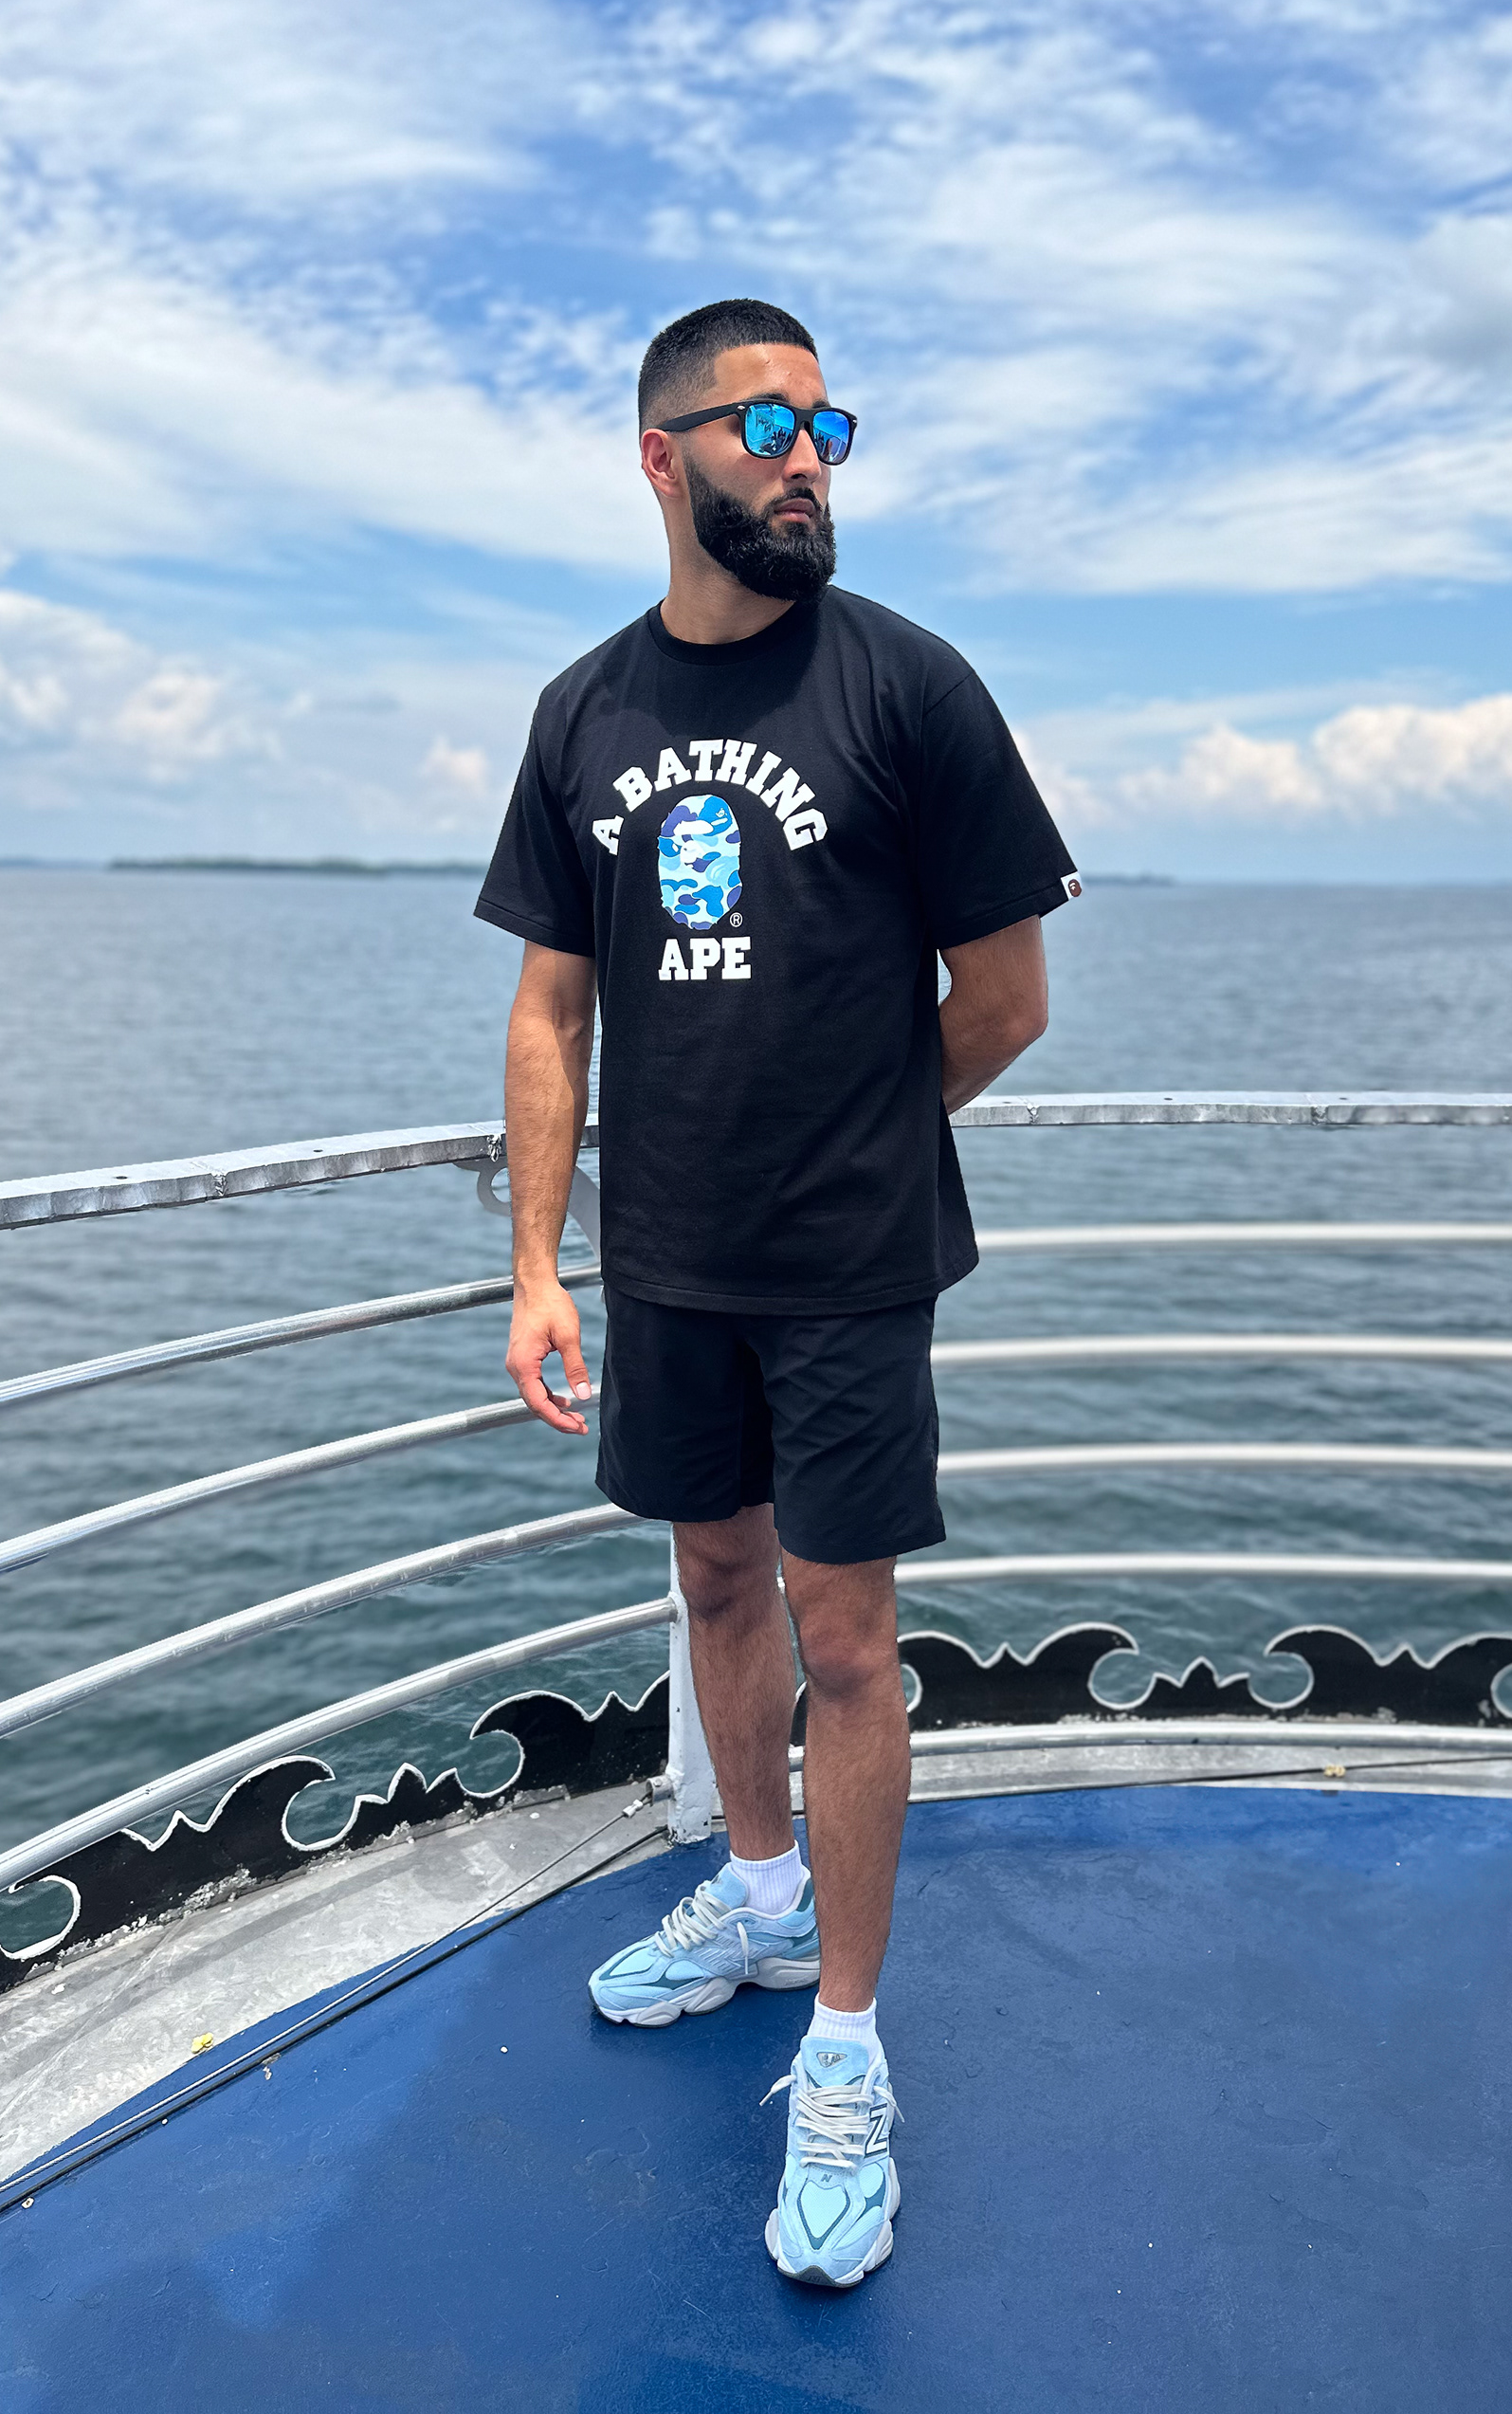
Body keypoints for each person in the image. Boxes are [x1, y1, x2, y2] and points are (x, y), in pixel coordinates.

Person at [475, 297, 1076, 2289]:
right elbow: (553, 1009)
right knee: (713, 1584)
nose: (809, 452)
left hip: (845, 1263)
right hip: (663, 1264)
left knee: (844, 1634)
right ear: (664, 456)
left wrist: (851, 1131)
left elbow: (1004, 996)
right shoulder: (583, 714)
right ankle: (748, 1891)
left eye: (830, 419)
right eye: (765, 421)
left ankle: (843, 2045)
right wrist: (541, 1263)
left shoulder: (908, 690)